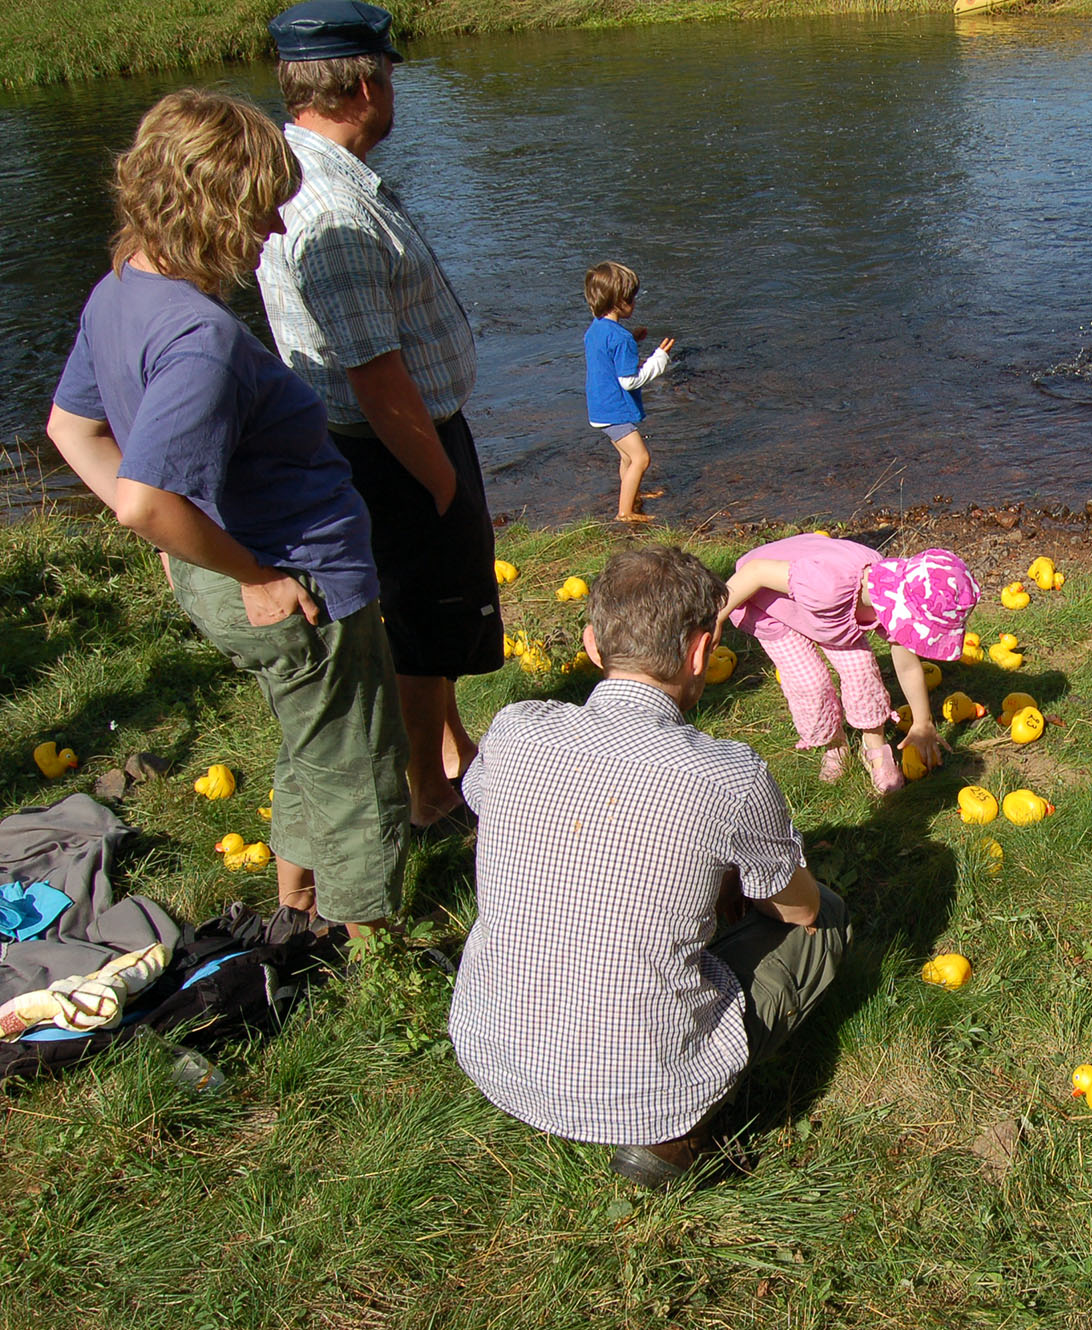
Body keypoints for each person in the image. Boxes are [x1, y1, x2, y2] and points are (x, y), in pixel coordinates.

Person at [45, 89, 408, 942]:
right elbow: (142, 497)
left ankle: (296, 904)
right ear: (210, 207)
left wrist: (186, 548)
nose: (273, 234)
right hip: (292, 574)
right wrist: (248, 569)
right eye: (260, 213)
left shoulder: (118, 291)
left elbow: (73, 429)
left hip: (229, 569)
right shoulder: (196, 338)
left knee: (308, 736)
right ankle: (375, 955)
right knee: (358, 760)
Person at [448, 547, 851, 1188]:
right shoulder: (727, 778)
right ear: (701, 652)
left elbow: (491, 806)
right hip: (639, 1084)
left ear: (592, 645)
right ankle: (670, 1137)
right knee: (827, 918)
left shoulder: (515, 730)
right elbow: (797, 910)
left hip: (491, 1049)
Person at [256, 0, 502, 831]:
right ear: (363, 83)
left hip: (402, 436)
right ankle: (428, 796)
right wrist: (438, 480)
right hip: (395, 447)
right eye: (389, 72)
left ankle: (450, 752)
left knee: (436, 614)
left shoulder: (314, 173)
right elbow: (374, 372)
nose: (393, 86)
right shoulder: (330, 212)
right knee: (428, 616)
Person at [719, 537, 979, 794]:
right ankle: (834, 744)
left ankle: (873, 744)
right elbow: (755, 572)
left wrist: (922, 721)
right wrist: (713, 619)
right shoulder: (827, 584)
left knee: (861, 669)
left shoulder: (888, 601)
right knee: (810, 683)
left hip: (829, 618)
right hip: (773, 607)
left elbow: (908, 666)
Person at [581, 261, 673, 524]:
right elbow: (630, 381)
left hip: (599, 408)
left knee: (626, 457)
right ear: (618, 301)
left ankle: (630, 497)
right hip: (615, 411)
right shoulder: (620, 339)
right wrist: (659, 360)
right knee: (641, 458)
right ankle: (625, 512)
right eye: (631, 297)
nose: (634, 302)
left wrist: (632, 339)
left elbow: (607, 354)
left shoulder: (596, 329)